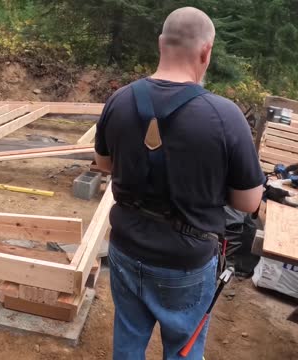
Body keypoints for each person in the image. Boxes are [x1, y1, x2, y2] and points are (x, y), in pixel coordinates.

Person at [94, 7, 264, 360]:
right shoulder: (225, 116)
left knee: (127, 342)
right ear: (206, 51)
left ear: (161, 44)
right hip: (185, 260)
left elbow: (104, 164)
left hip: (125, 247)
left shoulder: (120, 100)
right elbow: (248, 203)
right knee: (182, 351)